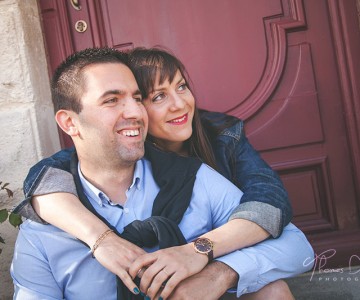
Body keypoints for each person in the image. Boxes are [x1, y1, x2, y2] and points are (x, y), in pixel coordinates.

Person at [11, 47, 313, 299]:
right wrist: (101, 238)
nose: (135, 112)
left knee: (273, 289)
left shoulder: (208, 163)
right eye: (113, 100)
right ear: (70, 123)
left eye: (137, 98)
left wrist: (212, 264)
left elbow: (273, 209)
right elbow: (47, 176)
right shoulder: (53, 200)